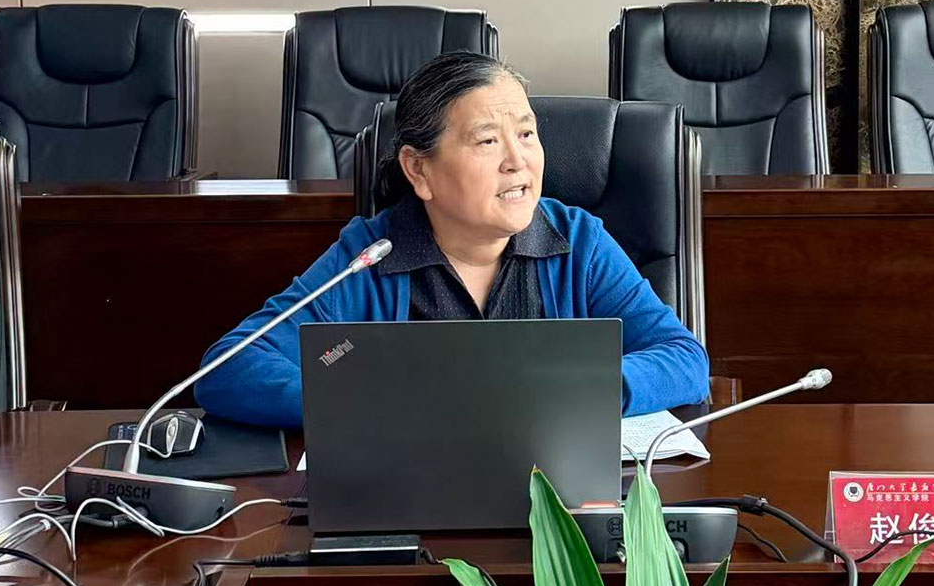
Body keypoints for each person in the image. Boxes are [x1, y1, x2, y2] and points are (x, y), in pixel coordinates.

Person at [195, 51, 709, 427]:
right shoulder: (371, 257)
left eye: (526, 134)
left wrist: (584, 388)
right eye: (487, 140)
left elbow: (684, 358)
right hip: (412, 496)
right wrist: (361, 402)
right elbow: (229, 367)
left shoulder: (577, 242)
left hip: (559, 499)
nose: (518, 161)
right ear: (419, 170)